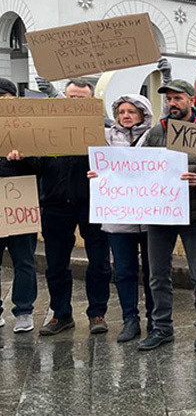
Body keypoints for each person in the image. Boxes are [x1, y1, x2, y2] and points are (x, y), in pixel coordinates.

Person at [5, 78, 112, 337]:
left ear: (91, 103)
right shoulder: (43, 130)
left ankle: (97, 313)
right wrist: (21, 157)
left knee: (99, 262)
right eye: (70, 98)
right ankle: (61, 314)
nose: (74, 103)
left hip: (92, 204)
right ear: (63, 99)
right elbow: (36, 167)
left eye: (81, 99)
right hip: (55, 204)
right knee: (56, 264)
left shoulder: (104, 129)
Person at [138, 80, 196, 352]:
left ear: (192, 100)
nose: (172, 103)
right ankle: (162, 328)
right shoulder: (155, 132)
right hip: (160, 214)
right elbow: (136, 168)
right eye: (169, 99)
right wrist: (105, 178)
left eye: (178, 98)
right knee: (158, 275)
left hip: (194, 214)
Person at [87, 94, 156, 343]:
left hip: (151, 218)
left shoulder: (155, 136)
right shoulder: (105, 137)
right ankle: (130, 319)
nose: (126, 116)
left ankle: (155, 318)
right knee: (124, 270)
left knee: (154, 272)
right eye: (122, 111)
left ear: (143, 114)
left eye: (132, 111)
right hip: (118, 217)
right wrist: (96, 172)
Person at [0, 78, 38, 333]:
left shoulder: (30, 129)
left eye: (5, 97)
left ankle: (24, 310)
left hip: (20, 203)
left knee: (24, 260)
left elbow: (41, 166)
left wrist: (22, 159)